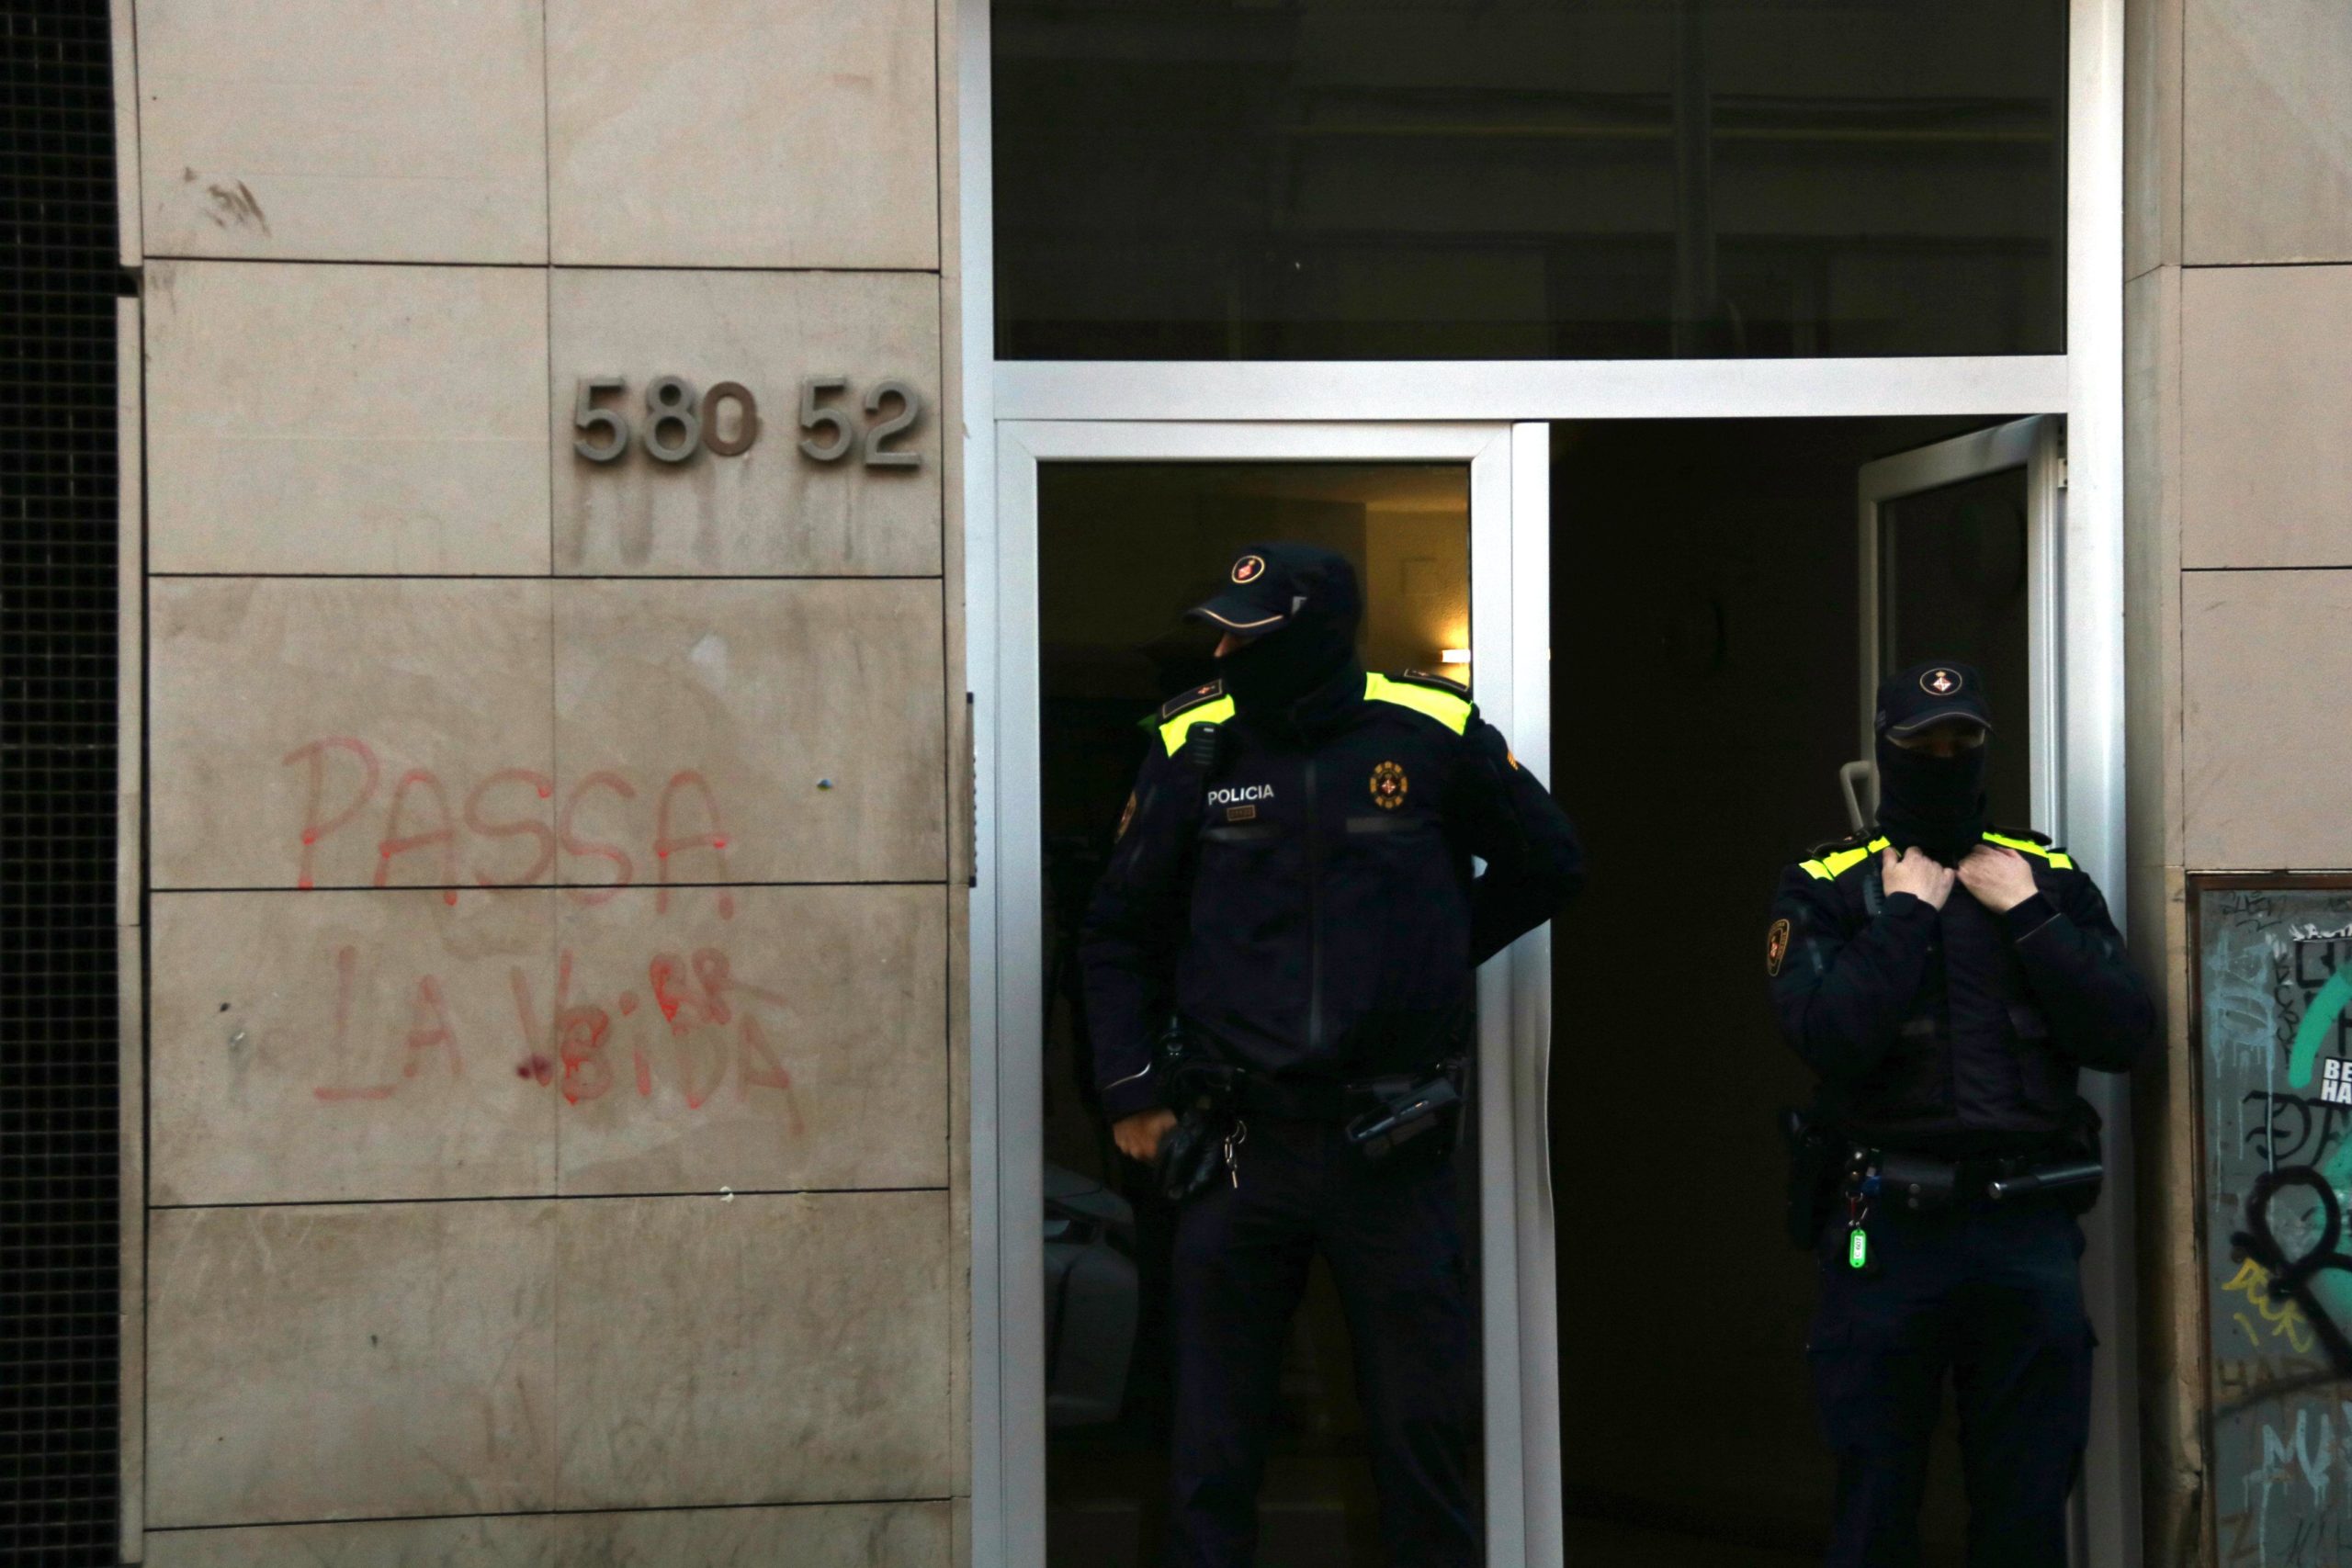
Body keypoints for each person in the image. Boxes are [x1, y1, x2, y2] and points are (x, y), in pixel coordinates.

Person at [1080, 542, 1583, 1568]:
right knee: (1211, 1442)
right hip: (1235, 1144)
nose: (1220, 650)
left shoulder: (1430, 727)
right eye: (1219, 629)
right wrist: (1132, 1091)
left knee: (1418, 1431)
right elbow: (1116, 932)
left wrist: (1431, 960)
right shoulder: (1195, 741)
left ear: (1314, 633)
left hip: (1385, 1146)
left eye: (1244, 634)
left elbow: (1549, 862)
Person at [1768, 660, 2153, 1568]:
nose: (1943, 757)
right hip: (1889, 1240)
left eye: (1961, 741)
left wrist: (2027, 917)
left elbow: (2124, 1031)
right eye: (1922, 744)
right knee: (1874, 1510)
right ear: (1886, 749)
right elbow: (1826, 1037)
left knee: (2025, 1514)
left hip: (2024, 1234)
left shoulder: (2044, 875)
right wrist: (1903, 918)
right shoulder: (1829, 883)